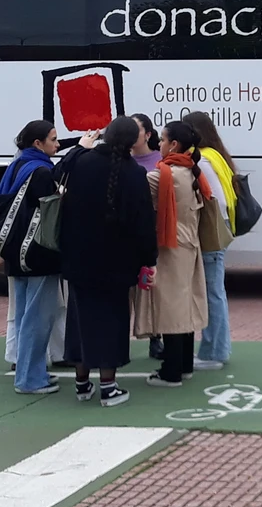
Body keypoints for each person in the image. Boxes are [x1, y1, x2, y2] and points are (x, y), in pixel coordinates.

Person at [58, 116, 156, 407]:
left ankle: (81, 383)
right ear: (132, 141)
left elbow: (57, 172)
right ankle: (109, 386)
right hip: (117, 261)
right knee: (112, 321)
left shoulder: (82, 163)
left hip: (78, 256)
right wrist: (147, 259)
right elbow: (143, 224)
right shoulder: (134, 174)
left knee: (79, 320)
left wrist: (79, 146)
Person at [137, 121, 212, 387]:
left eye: (163, 139)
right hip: (189, 243)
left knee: (171, 307)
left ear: (174, 145)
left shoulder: (165, 175)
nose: (159, 143)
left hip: (170, 245)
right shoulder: (191, 170)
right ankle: (185, 364)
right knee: (184, 304)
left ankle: (172, 371)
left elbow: (134, 187)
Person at [0, 120, 66, 395]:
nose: (58, 144)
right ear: (38, 143)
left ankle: (32, 372)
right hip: (38, 252)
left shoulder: (17, 165)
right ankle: (29, 378)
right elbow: (51, 210)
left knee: (25, 314)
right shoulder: (41, 172)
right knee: (38, 318)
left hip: (16, 251)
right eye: (53, 139)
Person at [183, 111, 238, 370]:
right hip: (221, 228)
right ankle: (216, 348)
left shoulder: (201, 160)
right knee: (215, 291)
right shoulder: (216, 155)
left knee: (212, 292)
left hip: (210, 231)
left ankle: (214, 351)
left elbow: (211, 199)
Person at [129, 113, 163, 362]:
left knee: (151, 287)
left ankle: (156, 337)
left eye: (136, 130)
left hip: (153, 233)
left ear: (148, 135)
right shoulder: (122, 161)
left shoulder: (160, 161)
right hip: (126, 235)